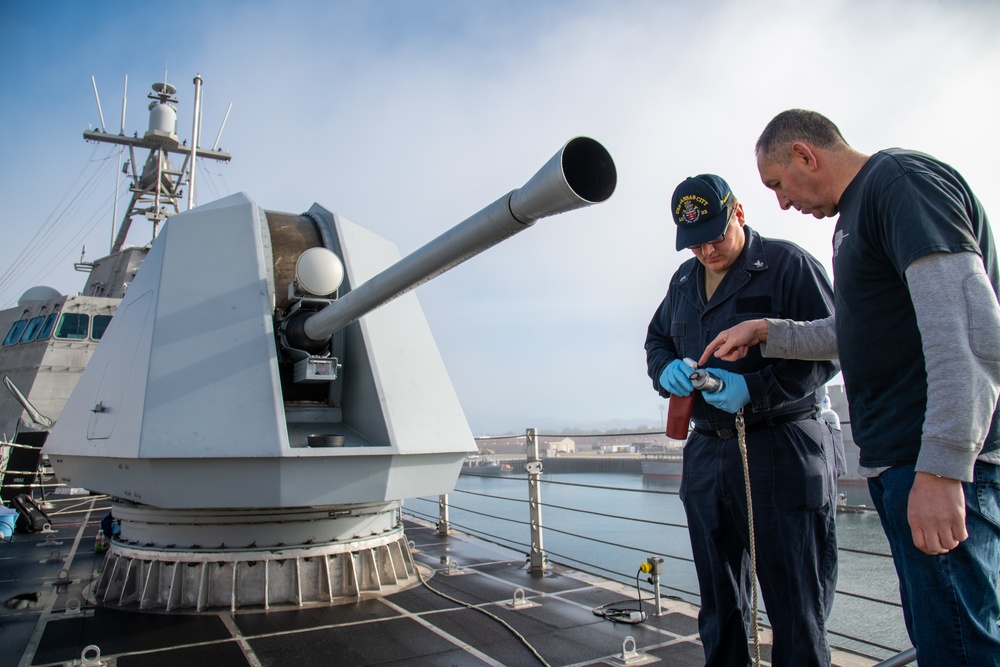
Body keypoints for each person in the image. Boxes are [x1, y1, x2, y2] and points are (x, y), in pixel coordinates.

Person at [701, 109, 1000, 666]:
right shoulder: (855, 217)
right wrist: (767, 332)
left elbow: (968, 331)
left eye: (778, 184)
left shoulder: (901, 186)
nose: (782, 202)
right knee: (940, 637)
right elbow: (853, 330)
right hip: (901, 464)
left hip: (929, 463)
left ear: (804, 155)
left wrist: (942, 468)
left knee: (962, 644)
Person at [645, 174, 840, 667]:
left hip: (781, 446)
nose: (707, 251)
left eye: (716, 236)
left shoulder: (787, 265)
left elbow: (837, 347)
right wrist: (664, 370)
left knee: (796, 603)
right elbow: (658, 340)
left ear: (739, 213)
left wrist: (755, 389)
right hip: (708, 449)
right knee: (719, 599)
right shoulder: (684, 282)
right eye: (694, 244)